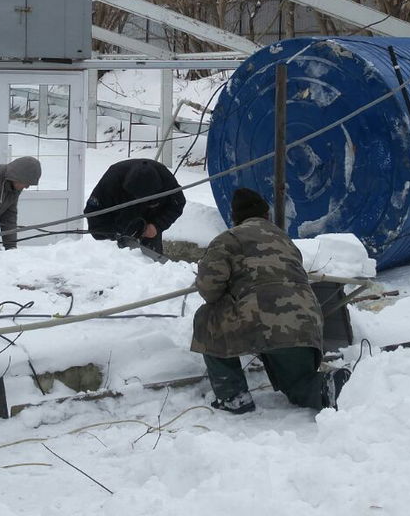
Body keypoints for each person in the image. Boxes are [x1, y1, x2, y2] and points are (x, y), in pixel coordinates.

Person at [190, 188, 350, 414]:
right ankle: (329, 386)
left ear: (235, 217)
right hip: (306, 320)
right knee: (298, 385)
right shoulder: (285, 241)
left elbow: (209, 289)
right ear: (267, 215)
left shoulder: (228, 239)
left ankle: (233, 396)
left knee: (207, 316)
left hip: (264, 319)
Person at [83, 157, 186, 255]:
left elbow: (177, 204)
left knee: (152, 262)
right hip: (116, 229)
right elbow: (93, 214)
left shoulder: (166, 180)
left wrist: (157, 225)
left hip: (149, 225)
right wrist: (114, 234)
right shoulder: (111, 180)